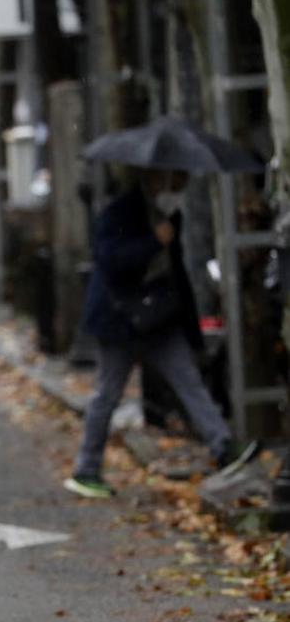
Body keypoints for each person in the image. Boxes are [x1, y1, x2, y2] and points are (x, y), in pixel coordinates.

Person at [65, 168, 258, 498]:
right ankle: (86, 469)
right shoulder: (121, 212)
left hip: (158, 316)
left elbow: (177, 273)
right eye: (177, 179)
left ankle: (223, 446)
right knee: (107, 394)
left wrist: (192, 329)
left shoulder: (170, 215)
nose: (181, 186)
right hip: (121, 318)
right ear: (158, 179)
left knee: (188, 380)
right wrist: (154, 241)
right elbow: (110, 260)